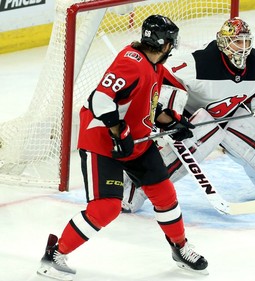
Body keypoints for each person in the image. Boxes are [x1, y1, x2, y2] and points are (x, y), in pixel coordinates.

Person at [37, 15, 208, 281]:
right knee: (106, 208)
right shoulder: (131, 64)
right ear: (164, 44)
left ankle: (180, 248)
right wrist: (118, 133)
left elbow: (144, 104)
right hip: (102, 142)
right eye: (170, 43)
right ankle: (55, 255)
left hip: (136, 141)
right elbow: (100, 99)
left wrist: (172, 120)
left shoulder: (153, 66)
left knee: (165, 194)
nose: (171, 48)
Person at [122, 17, 255, 213]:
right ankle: (133, 187)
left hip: (224, 118)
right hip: (187, 121)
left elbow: (253, 95)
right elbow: (158, 75)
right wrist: (164, 117)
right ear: (223, 42)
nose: (243, 47)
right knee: (205, 128)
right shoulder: (200, 63)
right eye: (237, 41)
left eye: (246, 41)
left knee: (245, 126)